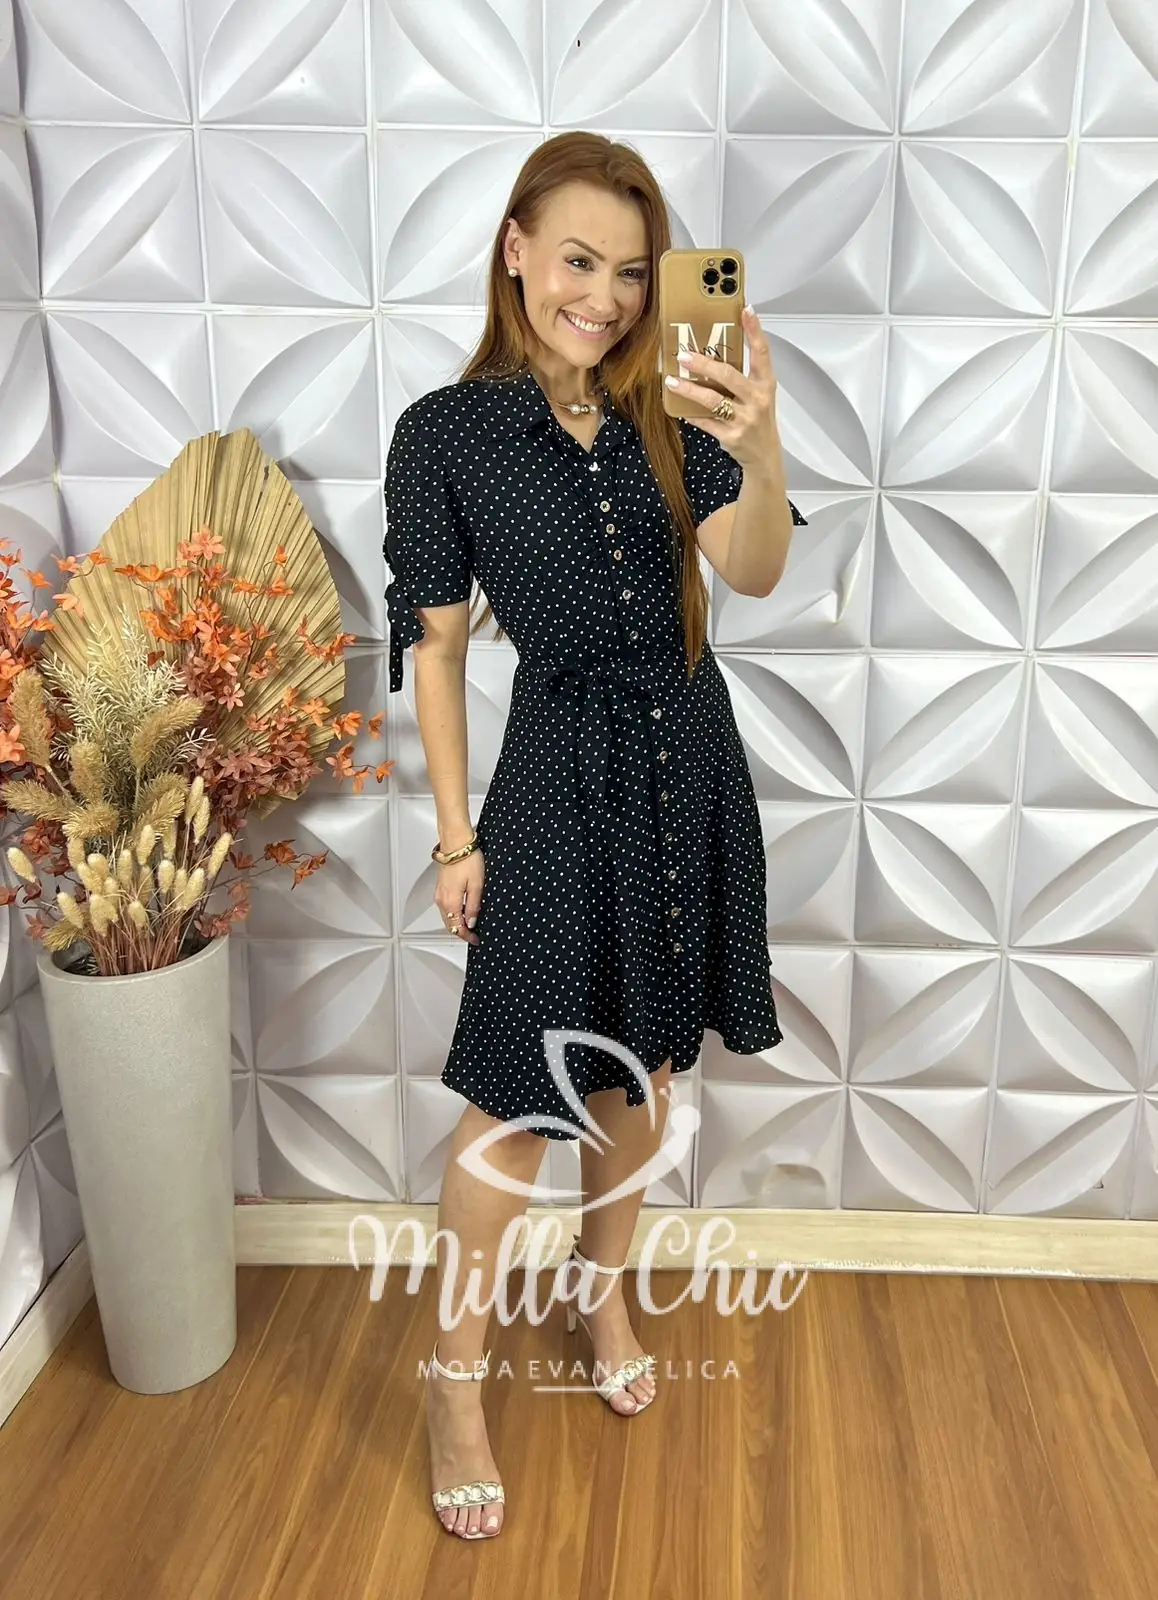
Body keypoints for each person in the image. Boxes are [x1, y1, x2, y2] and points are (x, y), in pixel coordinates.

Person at [383, 130, 806, 1542]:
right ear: (515, 248)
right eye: (579, 260)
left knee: (641, 1076)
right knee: (515, 1097)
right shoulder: (444, 436)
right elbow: (439, 650)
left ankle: (602, 1295)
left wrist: (757, 439)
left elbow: (753, 572)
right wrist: (455, 839)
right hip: (554, 778)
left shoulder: (673, 404)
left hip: (689, 761)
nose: (607, 298)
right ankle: (453, 1385)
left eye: (633, 273)